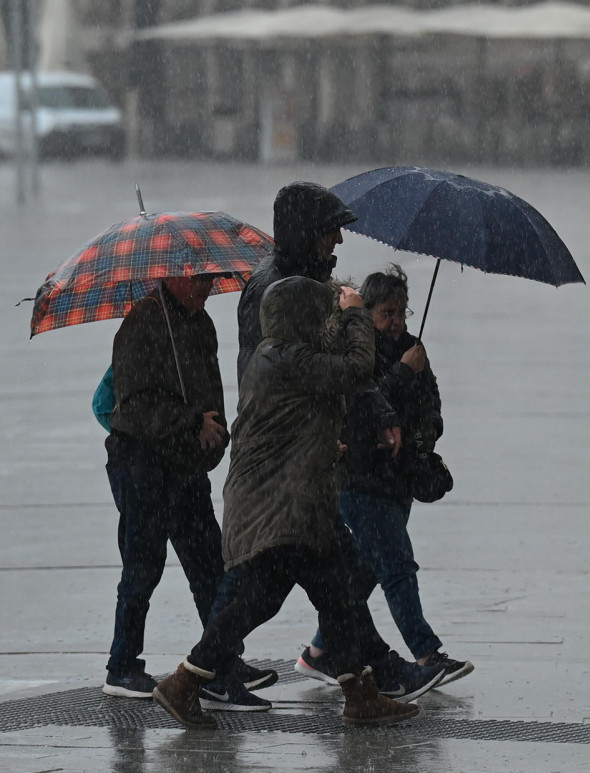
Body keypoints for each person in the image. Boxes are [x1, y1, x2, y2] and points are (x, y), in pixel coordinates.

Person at [151, 275, 427, 729]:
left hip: (290, 500)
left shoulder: (281, 355)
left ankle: (358, 694)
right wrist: (356, 311)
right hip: (281, 506)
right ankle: (184, 682)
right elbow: (359, 367)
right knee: (275, 598)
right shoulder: (287, 357)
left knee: (322, 595)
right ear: (301, 317)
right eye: (321, 314)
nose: (328, 321)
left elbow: (294, 424)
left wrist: (325, 447)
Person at [237, 181, 445, 701]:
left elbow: (347, 375)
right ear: (308, 232)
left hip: (308, 456)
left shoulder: (304, 282)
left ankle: (359, 674)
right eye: (331, 231)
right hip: (289, 462)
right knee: (276, 583)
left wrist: (379, 413)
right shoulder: (279, 291)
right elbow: (330, 371)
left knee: (321, 579)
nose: (339, 242)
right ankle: (372, 673)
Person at [102, 274, 275, 706]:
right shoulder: (143, 321)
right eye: (199, 279)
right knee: (142, 566)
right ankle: (122, 666)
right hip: (143, 464)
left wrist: (213, 432)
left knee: (209, 566)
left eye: (211, 279)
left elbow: (208, 391)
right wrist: (189, 421)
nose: (207, 287)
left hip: (185, 466)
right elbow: (135, 403)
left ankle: (217, 664)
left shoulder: (200, 322)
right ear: (173, 276)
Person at [301, 264, 473, 685]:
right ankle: (426, 652)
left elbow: (432, 407)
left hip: (400, 481)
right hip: (360, 480)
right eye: (387, 313)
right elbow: (363, 403)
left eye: (402, 312)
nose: (396, 322)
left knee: (366, 570)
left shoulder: (414, 349)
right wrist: (403, 373)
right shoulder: (357, 350)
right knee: (396, 566)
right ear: (369, 312)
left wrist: (424, 433)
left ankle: (319, 650)